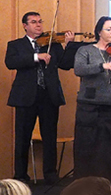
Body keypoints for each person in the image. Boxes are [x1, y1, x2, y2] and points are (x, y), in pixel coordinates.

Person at [5, 11, 73, 184]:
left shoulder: (52, 44)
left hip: (49, 96)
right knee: (22, 137)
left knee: (50, 136)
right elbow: (11, 62)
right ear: (25, 26)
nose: (38, 25)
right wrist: (37, 57)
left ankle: (50, 174)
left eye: (40, 21)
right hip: (25, 97)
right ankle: (21, 175)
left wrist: (68, 45)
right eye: (34, 22)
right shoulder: (16, 45)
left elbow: (66, 64)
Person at [73, 16, 111, 184]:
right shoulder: (86, 50)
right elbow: (79, 69)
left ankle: (110, 180)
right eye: (109, 29)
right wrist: (101, 66)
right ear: (99, 32)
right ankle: (86, 181)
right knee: (88, 143)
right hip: (90, 104)